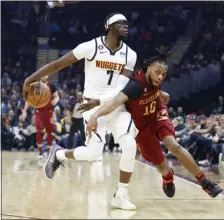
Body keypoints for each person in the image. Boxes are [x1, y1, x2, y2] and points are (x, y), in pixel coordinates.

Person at [23, 13, 140, 210]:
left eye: (127, 24)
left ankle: (121, 194)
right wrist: (30, 79)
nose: (126, 26)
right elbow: (58, 64)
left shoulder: (130, 54)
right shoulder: (91, 47)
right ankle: (58, 155)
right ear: (110, 26)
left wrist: (100, 102)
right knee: (93, 154)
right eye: (121, 23)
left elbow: (121, 88)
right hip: (90, 106)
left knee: (129, 145)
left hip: (115, 105)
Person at [84, 47, 223, 198]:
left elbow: (156, 90)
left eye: (163, 75)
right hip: (141, 127)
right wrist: (94, 116)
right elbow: (113, 102)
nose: (160, 77)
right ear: (149, 68)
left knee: (174, 145)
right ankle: (168, 176)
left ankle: (205, 183)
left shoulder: (154, 75)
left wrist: (162, 94)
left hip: (157, 115)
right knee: (162, 166)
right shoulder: (135, 86)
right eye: (157, 73)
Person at [22, 76, 59, 158]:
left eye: (46, 75)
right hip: (39, 111)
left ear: (48, 75)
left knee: (49, 131)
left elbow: (57, 96)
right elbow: (28, 100)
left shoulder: (51, 86)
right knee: (38, 130)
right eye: (43, 74)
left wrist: (54, 101)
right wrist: (24, 111)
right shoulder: (35, 86)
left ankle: (49, 151)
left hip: (49, 111)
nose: (44, 76)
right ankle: (40, 151)